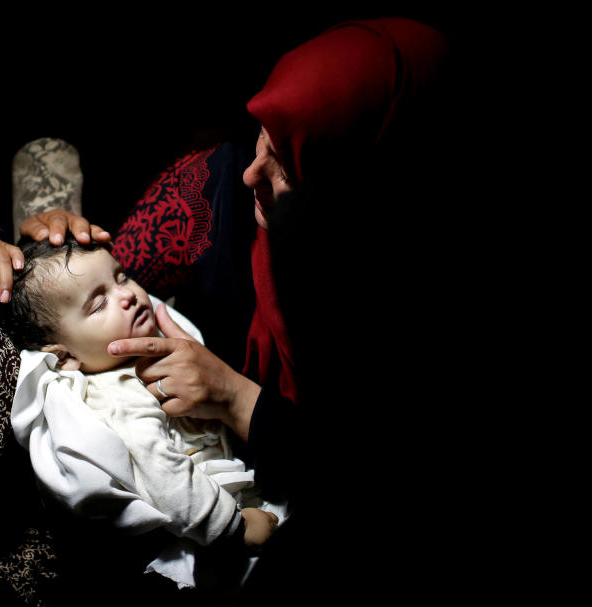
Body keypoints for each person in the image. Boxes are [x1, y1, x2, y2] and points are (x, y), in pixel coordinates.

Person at [94, 17, 458, 599]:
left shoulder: (410, 298)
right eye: (263, 135)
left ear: (364, 181)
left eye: (287, 163)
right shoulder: (211, 195)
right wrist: (57, 250)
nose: (251, 173)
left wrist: (239, 400)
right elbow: (97, 285)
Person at [0, 235, 285, 590]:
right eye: (99, 304)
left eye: (121, 277)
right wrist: (232, 527)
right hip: (205, 534)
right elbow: (160, 472)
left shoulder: (161, 354)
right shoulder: (116, 392)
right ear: (65, 357)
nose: (128, 294)